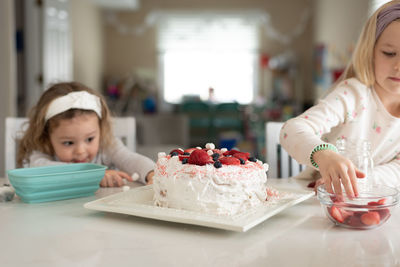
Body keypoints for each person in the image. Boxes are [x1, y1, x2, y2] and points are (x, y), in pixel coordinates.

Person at [280, 0, 400, 197]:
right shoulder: (354, 95)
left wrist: (357, 180)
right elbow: (290, 130)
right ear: (370, 52)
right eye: (389, 53)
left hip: (364, 200)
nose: (398, 66)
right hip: (313, 199)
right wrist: (324, 155)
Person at [17, 82, 155, 187]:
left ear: (100, 128)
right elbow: (38, 167)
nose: (81, 151)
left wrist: (151, 173)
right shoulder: (43, 149)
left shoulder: (106, 144)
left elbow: (129, 159)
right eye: (68, 143)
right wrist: (93, 175)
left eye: (89, 139)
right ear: (46, 136)